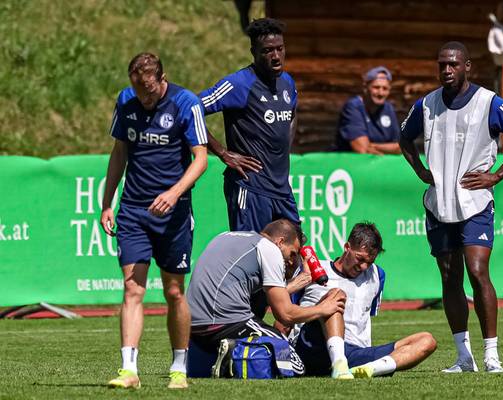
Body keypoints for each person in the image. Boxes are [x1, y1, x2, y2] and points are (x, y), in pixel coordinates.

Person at [399, 41, 503, 373]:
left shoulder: (488, 102)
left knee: (477, 272)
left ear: (467, 67)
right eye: (441, 65)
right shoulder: (426, 105)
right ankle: (464, 357)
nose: (446, 70)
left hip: (475, 203)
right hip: (438, 205)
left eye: (452, 64)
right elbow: (404, 138)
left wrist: (497, 175)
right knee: (450, 279)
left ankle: (491, 354)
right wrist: (421, 171)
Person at [100, 53, 208, 389]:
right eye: (137, 91)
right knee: (133, 288)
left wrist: (174, 193)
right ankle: (128, 370)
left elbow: (201, 159)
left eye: (148, 92)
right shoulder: (126, 100)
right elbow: (120, 152)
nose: (143, 99)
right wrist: (108, 202)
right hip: (133, 210)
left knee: (174, 291)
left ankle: (179, 367)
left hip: (173, 215)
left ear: (162, 79)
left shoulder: (185, 103)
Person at [186, 219, 354, 379]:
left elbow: (230, 286)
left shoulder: (225, 236)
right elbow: (285, 314)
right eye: (293, 253)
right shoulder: (269, 249)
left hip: (193, 327)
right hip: (227, 321)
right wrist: (323, 308)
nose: (292, 261)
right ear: (280, 242)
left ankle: (229, 353)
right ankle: (233, 352)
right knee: (295, 365)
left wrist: (294, 284)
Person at [290, 222, 437, 378]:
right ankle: (339, 366)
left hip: (355, 352)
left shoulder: (377, 275)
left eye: (370, 262)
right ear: (347, 247)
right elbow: (287, 313)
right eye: (360, 259)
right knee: (336, 296)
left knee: (427, 340)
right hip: (313, 346)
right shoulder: (314, 269)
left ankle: (370, 369)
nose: (364, 267)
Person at [199, 17, 299, 233]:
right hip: (250, 187)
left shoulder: (287, 82)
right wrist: (223, 153)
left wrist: (282, 149)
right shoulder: (239, 84)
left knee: (293, 254)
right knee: (251, 257)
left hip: (281, 188)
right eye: (267, 51)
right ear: (253, 52)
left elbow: (292, 114)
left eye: (280, 49)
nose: (275, 56)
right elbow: (190, 110)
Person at [334, 66, 401, 154]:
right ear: (365, 88)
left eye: (385, 89)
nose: (380, 93)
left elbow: (400, 147)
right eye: (376, 87)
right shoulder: (353, 107)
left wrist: (372, 146)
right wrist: (387, 149)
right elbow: (362, 149)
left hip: (378, 163)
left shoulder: (388, 108)